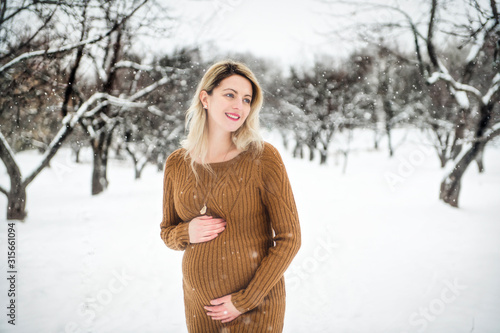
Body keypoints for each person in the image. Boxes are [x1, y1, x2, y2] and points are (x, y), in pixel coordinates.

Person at [160, 60, 301, 332]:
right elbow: (167, 231)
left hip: (255, 308)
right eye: (230, 95)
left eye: (246, 99)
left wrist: (244, 300)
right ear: (205, 98)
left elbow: (289, 239)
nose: (240, 106)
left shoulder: (263, 157)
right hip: (200, 307)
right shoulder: (176, 164)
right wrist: (185, 232)